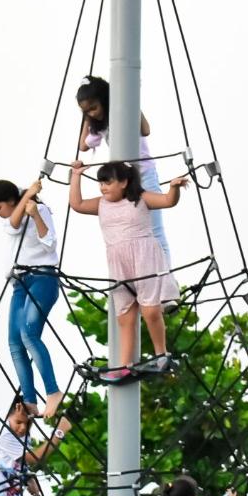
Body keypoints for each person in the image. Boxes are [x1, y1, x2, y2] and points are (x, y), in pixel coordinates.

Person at [69, 159, 187, 380]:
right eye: (100, 183)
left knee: (150, 311)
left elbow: (169, 201)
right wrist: (75, 176)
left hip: (144, 258)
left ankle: (161, 355)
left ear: (123, 182)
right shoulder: (102, 203)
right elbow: (77, 204)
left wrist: (174, 187)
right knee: (125, 316)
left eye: (108, 182)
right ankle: (125, 364)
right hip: (118, 261)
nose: (103, 187)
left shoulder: (140, 198)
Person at [0, 178, 64, 420]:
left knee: (29, 333)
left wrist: (35, 212)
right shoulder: (13, 220)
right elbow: (12, 225)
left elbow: (50, 244)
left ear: (11, 201)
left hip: (42, 278)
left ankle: (53, 391)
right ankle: (29, 400)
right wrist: (27, 195)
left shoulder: (39, 210)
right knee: (14, 343)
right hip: (20, 283)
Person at [76, 74, 170, 261]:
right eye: (87, 111)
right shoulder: (99, 125)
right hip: (123, 180)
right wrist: (87, 118)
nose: (92, 113)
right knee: (130, 231)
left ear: (105, 99)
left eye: (94, 107)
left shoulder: (124, 110)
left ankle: (165, 273)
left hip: (144, 173)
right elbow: (83, 146)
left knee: (154, 228)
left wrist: (132, 101)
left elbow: (146, 130)